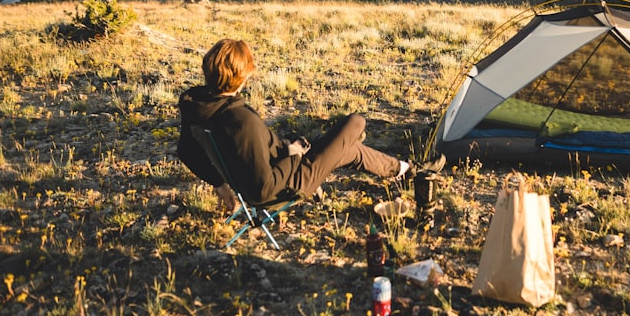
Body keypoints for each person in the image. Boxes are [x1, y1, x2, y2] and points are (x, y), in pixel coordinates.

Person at [176, 38, 444, 210]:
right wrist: (292, 156)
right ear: (242, 75)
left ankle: (408, 171)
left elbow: (186, 151)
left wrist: (219, 183)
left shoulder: (199, 107)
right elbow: (262, 188)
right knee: (355, 122)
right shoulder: (240, 120)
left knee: (347, 150)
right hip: (287, 185)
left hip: (276, 169)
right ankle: (409, 171)